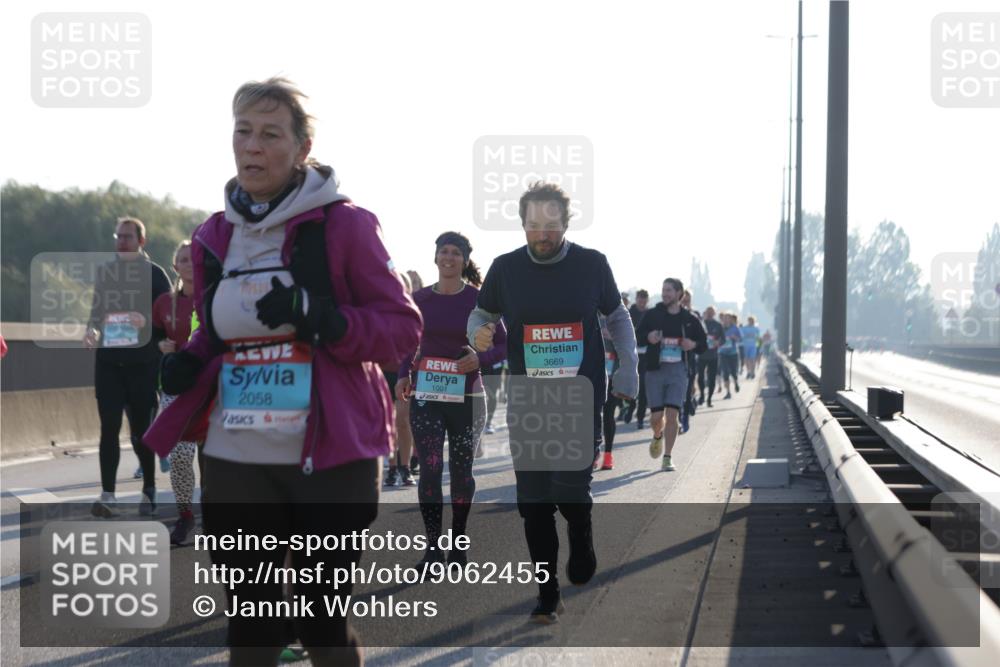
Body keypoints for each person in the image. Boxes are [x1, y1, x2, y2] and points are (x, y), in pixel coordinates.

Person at [145, 77, 421, 666]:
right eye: (243, 131)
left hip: (330, 452)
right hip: (237, 450)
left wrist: (318, 319)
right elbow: (216, 330)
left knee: (321, 619)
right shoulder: (213, 236)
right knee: (252, 623)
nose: (253, 145)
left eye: (271, 133)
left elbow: (402, 329)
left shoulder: (347, 226)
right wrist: (193, 357)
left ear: (302, 150)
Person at [469, 181, 638, 623]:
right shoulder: (505, 269)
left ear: (566, 222)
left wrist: (628, 368)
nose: (542, 234)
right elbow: (482, 314)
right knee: (533, 503)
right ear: (523, 224)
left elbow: (617, 316)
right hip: (528, 399)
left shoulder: (591, 264)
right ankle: (547, 594)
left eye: (551, 225)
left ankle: (581, 534)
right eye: (533, 226)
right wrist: (478, 332)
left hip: (580, 397)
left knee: (569, 491)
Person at [397, 231, 506, 569]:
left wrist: (480, 359)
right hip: (428, 395)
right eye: (443, 251)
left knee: (462, 472)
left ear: (464, 259)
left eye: (455, 253)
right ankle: (432, 549)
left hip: (468, 397)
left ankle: (458, 545)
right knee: (429, 470)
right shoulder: (419, 299)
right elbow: (406, 341)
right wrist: (403, 373)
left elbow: (504, 344)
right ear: (435, 257)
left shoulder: (479, 300)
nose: (448, 257)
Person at [85, 216, 171, 518]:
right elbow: (97, 311)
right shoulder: (106, 272)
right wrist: (92, 331)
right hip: (109, 363)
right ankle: (108, 494)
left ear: (141, 241)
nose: (121, 242)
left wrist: (146, 321)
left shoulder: (155, 274)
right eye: (118, 236)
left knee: (141, 432)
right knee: (108, 427)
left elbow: (168, 319)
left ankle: (148, 489)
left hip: (142, 364)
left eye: (128, 237)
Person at [150, 240, 210, 544]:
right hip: (177, 386)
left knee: (212, 457)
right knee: (182, 455)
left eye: (192, 259)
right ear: (175, 266)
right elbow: (154, 337)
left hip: (212, 385)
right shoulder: (163, 303)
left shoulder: (215, 298)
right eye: (182, 260)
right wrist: (161, 345)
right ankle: (185, 515)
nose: (188, 264)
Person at [635, 278, 706, 471]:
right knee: (656, 418)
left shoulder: (689, 319)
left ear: (679, 294)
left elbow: (703, 344)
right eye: (663, 290)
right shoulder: (653, 315)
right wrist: (648, 337)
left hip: (678, 371)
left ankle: (668, 457)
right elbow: (638, 336)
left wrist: (693, 344)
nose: (664, 293)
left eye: (669, 290)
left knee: (673, 415)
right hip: (655, 371)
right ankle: (657, 435)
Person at [383, 271, 418, 487]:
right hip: (383, 371)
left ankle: (405, 467)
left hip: (404, 372)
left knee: (404, 422)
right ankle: (392, 467)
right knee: (388, 423)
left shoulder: (413, 312)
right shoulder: (381, 308)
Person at [595, 315, 620, 471]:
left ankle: (608, 455)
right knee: (592, 415)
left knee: (609, 414)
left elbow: (629, 346)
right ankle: (594, 453)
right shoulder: (589, 314)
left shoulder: (618, 319)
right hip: (593, 373)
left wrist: (613, 337)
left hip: (613, 374)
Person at [623, 288, 650, 428]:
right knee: (632, 385)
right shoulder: (629, 312)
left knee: (644, 387)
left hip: (646, 355)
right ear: (636, 299)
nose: (642, 301)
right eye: (640, 298)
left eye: (644, 299)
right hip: (631, 354)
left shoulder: (650, 314)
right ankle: (630, 408)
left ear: (647, 300)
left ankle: (640, 417)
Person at [678, 290, 701, 435]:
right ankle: (680, 416)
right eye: (683, 300)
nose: (685, 302)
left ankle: (685, 419)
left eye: (687, 300)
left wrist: (692, 343)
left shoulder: (695, 316)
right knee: (677, 392)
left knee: (687, 391)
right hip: (672, 360)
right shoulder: (671, 315)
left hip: (690, 359)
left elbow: (701, 340)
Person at [697, 306, 725, 407]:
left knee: (711, 378)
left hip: (713, 355)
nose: (709, 313)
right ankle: (701, 395)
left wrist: (718, 342)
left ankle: (709, 399)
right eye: (708, 312)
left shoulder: (718, 325)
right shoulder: (701, 324)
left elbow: (724, 339)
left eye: (711, 312)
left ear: (714, 313)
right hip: (702, 354)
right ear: (705, 312)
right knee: (700, 377)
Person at [719, 312, 742, 398]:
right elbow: (715, 338)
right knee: (725, 372)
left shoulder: (735, 328)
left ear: (731, 319)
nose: (725, 319)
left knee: (733, 372)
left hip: (733, 353)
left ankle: (736, 382)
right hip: (722, 352)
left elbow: (740, 339)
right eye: (724, 318)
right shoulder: (720, 327)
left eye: (727, 318)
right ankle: (728, 392)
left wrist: (734, 337)